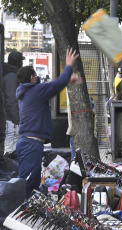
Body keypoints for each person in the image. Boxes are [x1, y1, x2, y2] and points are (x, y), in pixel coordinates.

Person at [16, 48, 81, 198]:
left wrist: (67, 80)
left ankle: (27, 207)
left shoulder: (27, 92)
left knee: (33, 180)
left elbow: (53, 86)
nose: (37, 78)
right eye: (35, 76)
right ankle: (19, 210)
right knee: (28, 181)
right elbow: (55, 85)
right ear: (32, 78)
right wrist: (69, 65)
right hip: (30, 144)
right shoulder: (35, 91)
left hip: (30, 143)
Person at [2, 51, 25, 154]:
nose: (22, 64)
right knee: (11, 151)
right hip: (11, 120)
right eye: (21, 61)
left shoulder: (8, 74)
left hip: (10, 119)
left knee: (11, 150)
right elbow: (11, 101)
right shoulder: (12, 76)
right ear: (18, 62)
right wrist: (17, 120)